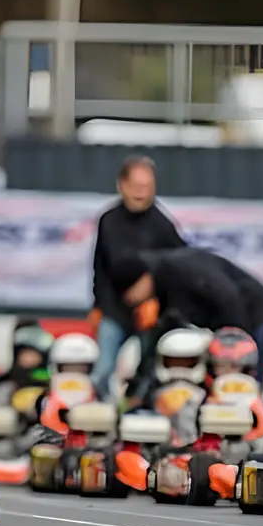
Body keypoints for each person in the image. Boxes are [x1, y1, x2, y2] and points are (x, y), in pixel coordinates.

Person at [88, 155, 187, 395]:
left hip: (151, 316)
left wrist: (154, 297)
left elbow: (181, 267)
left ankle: (144, 416)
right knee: (102, 371)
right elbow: (104, 267)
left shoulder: (163, 225)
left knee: (150, 374)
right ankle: (101, 423)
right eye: (137, 186)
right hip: (114, 310)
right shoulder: (108, 221)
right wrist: (98, 305)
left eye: (148, 187)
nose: (142, 193)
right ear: (122, 186)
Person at [116, 246, 263, 384]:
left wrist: (236, 339)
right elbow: (164, 331)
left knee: (248, 375)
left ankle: (253, 418)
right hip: (236, 316)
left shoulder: (178, 268)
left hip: (257, 313)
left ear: (142, 279)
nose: (130, 300)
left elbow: (227, 296)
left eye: (129, 293)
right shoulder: (164, 282)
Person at [0, 323, 53, 409]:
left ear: (42, 356)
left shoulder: (50, 378)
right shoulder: (6, 381)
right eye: (23, 353)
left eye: (32, 354)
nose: (27, 358)